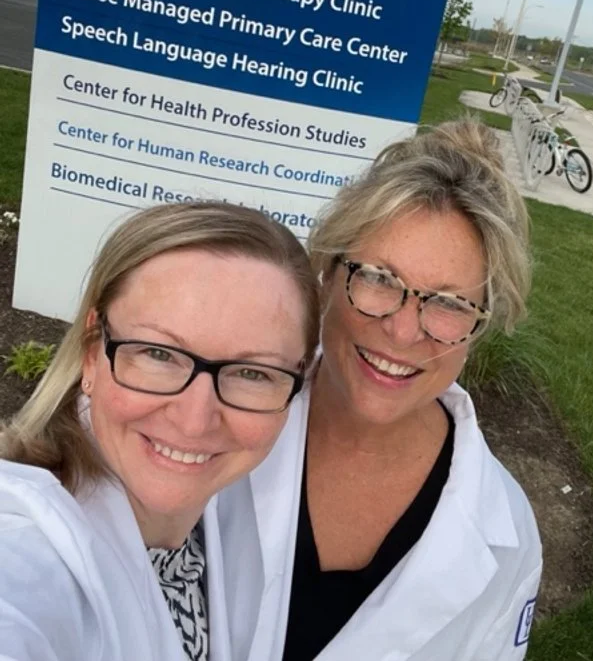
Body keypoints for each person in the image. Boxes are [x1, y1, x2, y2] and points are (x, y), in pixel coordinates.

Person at [217, 119, 543, 661]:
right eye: (378, 278)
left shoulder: (508, 536)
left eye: (450, 303)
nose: (402, 329)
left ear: (477, 327)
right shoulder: (207, 414)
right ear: (326, 272)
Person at [0, 201, 319, 661]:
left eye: (251, 373)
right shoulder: (27, 542)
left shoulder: (215, 524)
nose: (194, 420)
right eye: (158, 354)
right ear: (93, 352)